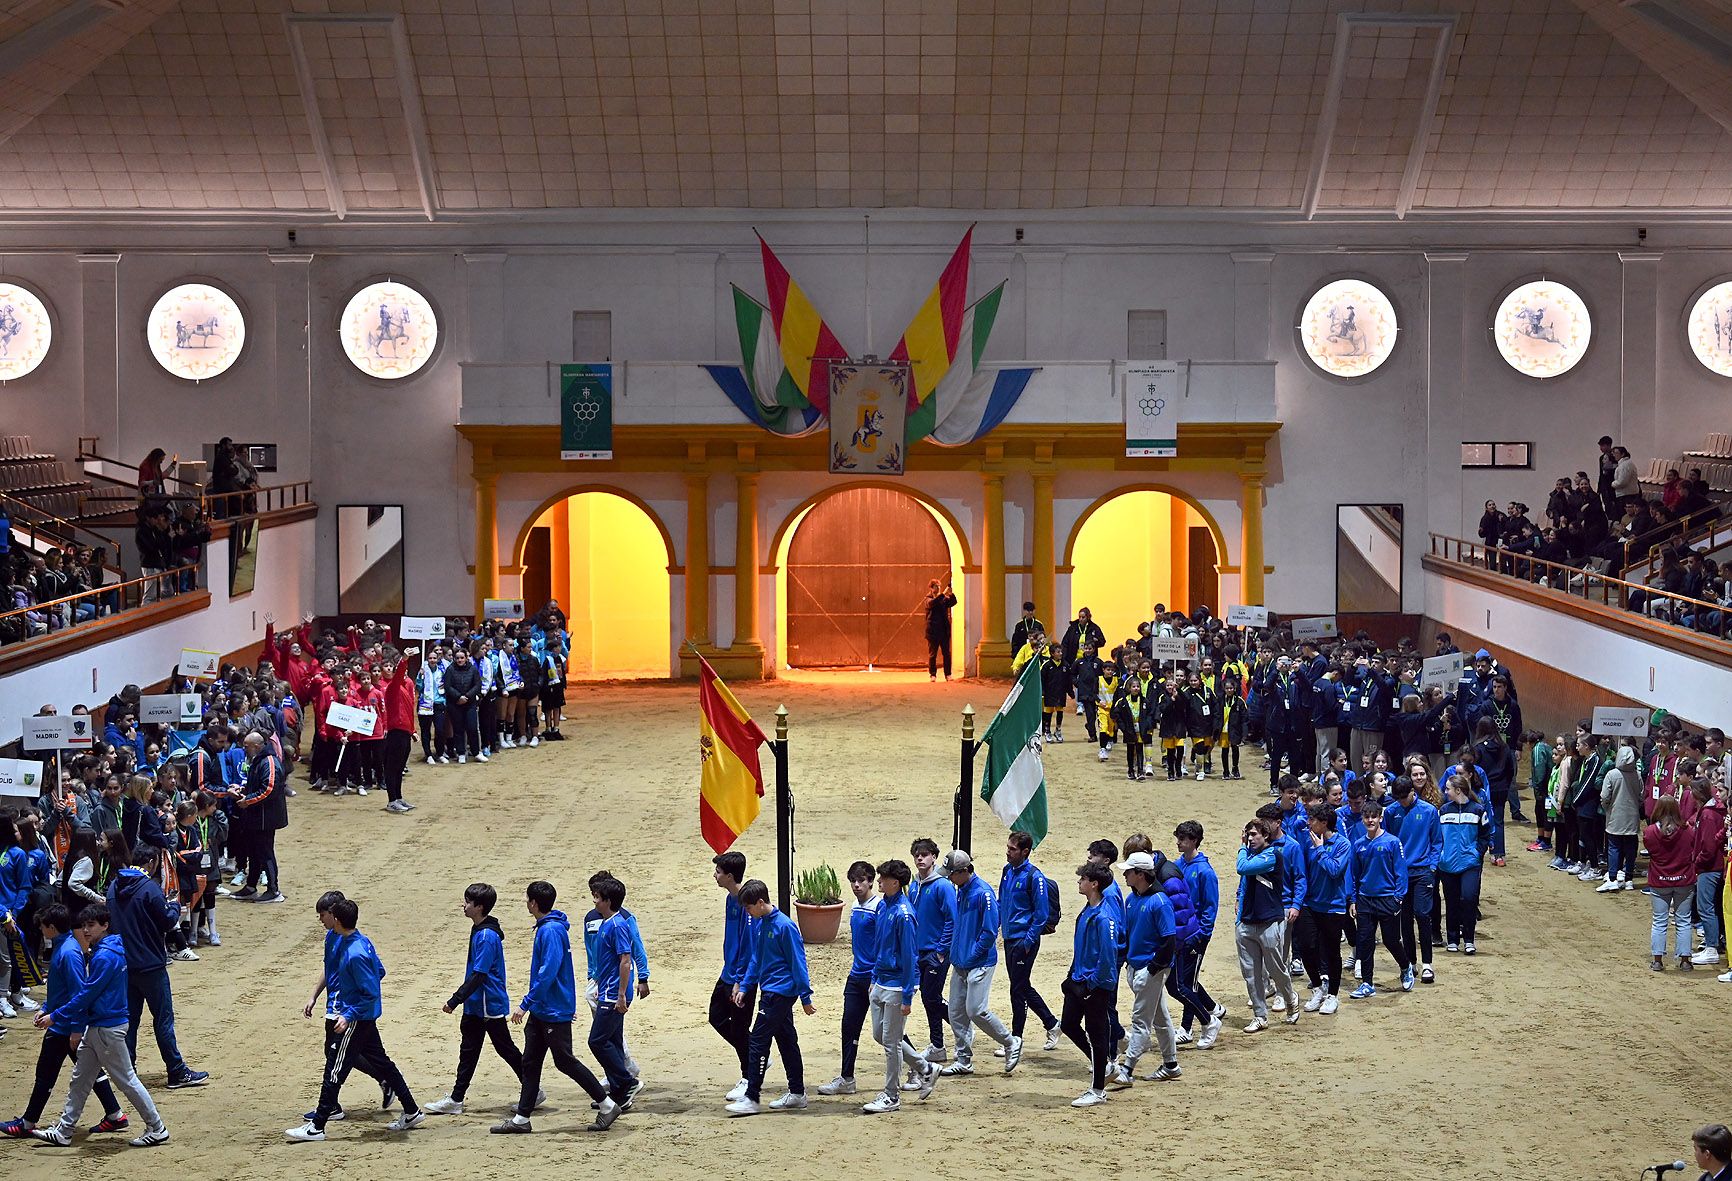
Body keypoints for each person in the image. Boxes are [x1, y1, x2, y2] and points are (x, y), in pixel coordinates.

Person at [29, 903, 170, 1148]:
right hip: (99, 1027)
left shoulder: (104, 956)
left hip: (107, 1028)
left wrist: (55, 1016)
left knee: (126, 1079)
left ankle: (156, 1127)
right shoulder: (109, 950)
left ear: (105, 925)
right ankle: (64, 1130)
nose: (85, 930)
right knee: (80, 1080)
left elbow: (86, 994)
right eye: (83, 925)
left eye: (91, 925)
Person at [285, 898, 424, 1141]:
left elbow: (369, 991)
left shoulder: (353, 953)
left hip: (356, 1019)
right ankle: (411, 1111)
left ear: (337, 919)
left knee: (334, 1070)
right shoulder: (361, 942)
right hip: (364, 1018)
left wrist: (348, 1014)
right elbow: (380, 971)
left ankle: (317, 1126)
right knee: (383, 1064)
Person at [490, 880, 618, 1133]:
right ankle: (521, 1119)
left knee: (564, 1060)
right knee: (530, 1061)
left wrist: (526, 1003)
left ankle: (607, 1105)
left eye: (527, 899)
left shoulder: (549, 931)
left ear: (535, 903)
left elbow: (547, 972)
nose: (526, 903)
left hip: (552, 1009)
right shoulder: (550, 928)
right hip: (545, 1009)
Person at [0, 904, 127, 1139]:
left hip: (65, 1027)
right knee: (89, 1072)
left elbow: (79, 994)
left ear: (51, 927)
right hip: (63, 1022)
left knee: (46, 1073)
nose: (40, 930)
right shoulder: (65, 948)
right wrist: (47, 1008)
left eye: (42, 926)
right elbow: (60, 991)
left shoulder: (68, 953)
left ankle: (27, 1123)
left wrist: (76, 1030)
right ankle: (115, 1114)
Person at [107, 847, 209, 1088]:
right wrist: (174, 905)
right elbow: (167, 921)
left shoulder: (113, 887)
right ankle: (176, 1071)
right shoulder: (149, 888)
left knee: (129, 1020)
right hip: (151, 965)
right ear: (152, 863)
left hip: (124, 964)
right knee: (163, 1019)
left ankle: (127, 1071)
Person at [423, 883, 529, 1115]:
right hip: (477, 1005)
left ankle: (532, 1089)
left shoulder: (486, 936)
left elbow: (479, 975)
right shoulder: (480, 929)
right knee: (470, 1051)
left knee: (504, 1049)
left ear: (479, 907)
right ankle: (456, 1099)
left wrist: (454, 1000)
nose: (464, 905)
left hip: (486, 1004)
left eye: (468, 902)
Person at [725, 879, 816, 1116]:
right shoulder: (759, 924)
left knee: (757, 1041)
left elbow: (798, 962)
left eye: (749, 907)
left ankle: (752, 1096)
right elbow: (756, 958)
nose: (747, 912)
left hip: (780, 993)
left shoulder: (785, 927)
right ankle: (797, 1093)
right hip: (769, 990)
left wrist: (805, 997)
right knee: (787, 1040)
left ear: (761, 902)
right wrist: (745, 986)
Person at [861, 858, 935, 1114]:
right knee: (880, 1035)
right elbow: (879, 946)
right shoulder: (883, 906)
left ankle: (892, 1096)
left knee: (891, 1043)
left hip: (897, 986)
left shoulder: (904, 915)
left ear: (895, 882)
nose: (878, 881)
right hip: (881, 981)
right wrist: (873, 978)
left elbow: (908, 957)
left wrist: (907, 995)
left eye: (882, 878)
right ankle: (925, 1067)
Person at [936, 849, 1019, 1075]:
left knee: (976, 1010)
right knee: (956, 1012)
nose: (949, 878)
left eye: (952, 874)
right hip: (961, 962)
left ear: (964, 871)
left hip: (980, 962)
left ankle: (1010, 1042)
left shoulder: (983, 893)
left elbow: (990, 931)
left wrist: (971, 956)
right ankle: (963, 1059)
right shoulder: (961, 890)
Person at [1111, 851, 1180, 1086]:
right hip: (1137, 966)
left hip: (1152, 969)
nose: (1125, 875)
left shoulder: (1159, 903)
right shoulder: (1133, 900)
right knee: (1160, 1017)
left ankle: (1127, 1069)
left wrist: (1151, 970)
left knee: (1140, 1020)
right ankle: (1171, 1064)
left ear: (1141, 874)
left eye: (1129, 872)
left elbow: (1169, 941)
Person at [585, 875, 644, 1117]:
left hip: (613, 994)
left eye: (597, 898)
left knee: (597, 1041)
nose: (594, 902)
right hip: (608, 990)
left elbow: (625, 960)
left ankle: (627, 1082)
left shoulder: (618, 925)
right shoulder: (609, 922)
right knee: (613, 1040)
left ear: (608, 901)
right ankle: (620, 1089)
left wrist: (620, 995)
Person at [817, 861, 877, 1097]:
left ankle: (916, 1068)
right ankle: (847, 1078)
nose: (856, 885)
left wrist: (878, 975)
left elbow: (883, 943)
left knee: (887, 1031)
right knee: (849, 1027)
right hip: (856, 976)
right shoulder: (855, 906)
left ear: (871, 881)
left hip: (874, 977)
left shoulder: (878, 908)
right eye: (853, 880)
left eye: (861, 880)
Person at [1060, 863, 1118, 1108]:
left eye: (1082, 878)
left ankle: (1097, 1090)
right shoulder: (1087, 911)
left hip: (1095, 986)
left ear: (1094, 884)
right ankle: (1102, 1065)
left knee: (1097, 1034)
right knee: (1069, 1025)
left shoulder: (1104, 918)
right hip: (1080, 981)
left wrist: (1091, 985)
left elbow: (1107, 958)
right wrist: (1072, 976)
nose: (1078, 882)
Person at [1235, 818, 1299, 1031]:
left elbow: (1242, 868)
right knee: (1252, 974)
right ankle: (1260, 1016)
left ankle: (1290, 999)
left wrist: (1242, 848)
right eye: (1248, 834)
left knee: (1275, 968)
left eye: (1254, 834)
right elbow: (1243, 883)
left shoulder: (1272, 855)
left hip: (1269, 921)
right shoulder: (1251, 856)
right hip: (1246, 923)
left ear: (1266, 836)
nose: (1250, 838)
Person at [999, 831, 1060, 1052]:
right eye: (1008, 847)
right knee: (1020, 986)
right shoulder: (1007, 871)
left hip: (1023, 940)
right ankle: (1051, 1024)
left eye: (1012, 849)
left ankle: (1017, 1038)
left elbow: (1041, 914)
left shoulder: (1035, 877)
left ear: (1025, 852)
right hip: (1009, 938)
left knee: (1018, 988)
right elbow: (1001, 902)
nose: (1008, 851)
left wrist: (1028, 941)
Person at [1383, 777, 1441, 984]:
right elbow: (1386, 839)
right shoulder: (1391, 812)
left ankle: (1428, 964)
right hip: (1400, 874)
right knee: (1404, 920)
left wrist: (1432, 867)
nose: (1401, 802)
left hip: (1423, 870)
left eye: (1404, 798)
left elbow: (1436, 841)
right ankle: (1410, 962)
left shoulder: (1429, 811)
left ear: (1412, 792)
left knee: (1422, 914)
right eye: (1397, 798)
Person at [709, 851, 756, 1101]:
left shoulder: (747, 903)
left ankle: (749, 1077)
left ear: (729, 875)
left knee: (739, 1028)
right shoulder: (730, 899)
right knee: (715, 1017)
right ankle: (755, 1055)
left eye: (718, 872)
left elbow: (748, 947)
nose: (714, 876)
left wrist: (740, 980)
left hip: (742, 977)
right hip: (728, 972)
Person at [1173, 820, 1225, 1047]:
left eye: (1183, 839)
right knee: (1186, 979)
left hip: (1196, 935)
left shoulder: (1205, 872)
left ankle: (1187, 1028)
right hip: (1181, 933)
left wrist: (1202, 934)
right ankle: (1214, 1007)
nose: (1178, 843)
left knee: (1186, 983)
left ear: (1194, 841)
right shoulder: (1178, 865)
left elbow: (1210, 907)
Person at [1350, 802, 1410, 997]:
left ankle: (1405, 966)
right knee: (1365, 941)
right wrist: (1353, 899)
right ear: (1362, 819)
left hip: (1387, 899)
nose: (1370, 820)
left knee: (1391, 940)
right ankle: (1367, 983)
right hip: (1365, 899)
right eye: (1366, 817)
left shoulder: (1392, 842)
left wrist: (1398, 898)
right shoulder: (1358, 845)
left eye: (1373, 817)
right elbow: (1354, 875)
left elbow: (1401, 871)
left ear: (1380, 818)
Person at [907, 837, 955, 1066]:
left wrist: (941, 950)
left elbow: (951, 920)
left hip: (935, 953)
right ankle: (939, 1044)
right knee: (929, 998)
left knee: (930, 997)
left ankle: (956, 1029)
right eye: (917, 854)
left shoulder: (943, 886)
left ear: (934, 857)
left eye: (924, 854)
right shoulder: (915, 885)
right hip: (918, 952)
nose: (920, 858)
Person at [229, 731, 286, 903]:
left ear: (257, 746)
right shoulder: (260, 760)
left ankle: (274, 890)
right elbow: (258, 785)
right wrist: (243, 790)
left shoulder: (269, 761)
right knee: (253, 851)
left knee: (265, 852)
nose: (244, 749)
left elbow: (269, 789)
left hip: (265, 818)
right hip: (256, 816)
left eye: (246, 746)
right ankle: (251, 886)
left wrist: (248, 800)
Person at [1438, 773, 1490, 954]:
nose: (1445, 792)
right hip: (1447, 865)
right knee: (1451, 902)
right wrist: (1441, 856)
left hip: (1470, 864)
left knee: (1468, 899)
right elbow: (1437, 837)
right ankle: (1452, 939)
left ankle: (1469, 939)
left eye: (1447, 789)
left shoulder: (1478, 810)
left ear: (1458, 790)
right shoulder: (1443, 811)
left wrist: (1477, 853)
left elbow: (1485, 835)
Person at [1643, 797, 1697, 972]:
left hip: (1659, 881)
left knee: (1659, 921)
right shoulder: (1688, 831)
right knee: (1684, 921)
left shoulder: (1650, 832)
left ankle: (1658, 960)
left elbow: (1651, 851)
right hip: (1684, 881)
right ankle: (1685, 961)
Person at [924, 578, 957, 681]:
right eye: (936, 586)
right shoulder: (928, 599)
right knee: (932, 654)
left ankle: (948, 674)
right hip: (933, 632)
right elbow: (932, 604)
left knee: (946, 654)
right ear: (931, 587)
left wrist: (951, 594)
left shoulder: (943, 599)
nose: (938, 588)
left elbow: (953, 602)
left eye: (939, 586)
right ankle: (933, 674)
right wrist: (943, 594)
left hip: (943, 631)